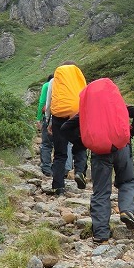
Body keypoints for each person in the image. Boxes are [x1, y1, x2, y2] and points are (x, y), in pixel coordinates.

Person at [89, 103, 134, 243]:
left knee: (101, 191)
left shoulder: (89, 108)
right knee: (127, 182)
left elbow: (67, 127)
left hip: (100, 150)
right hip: (122, 147)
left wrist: (80, 144)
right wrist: (131, 133)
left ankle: (101, 234)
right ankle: (126, 210)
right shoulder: (118, 105)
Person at [45, 62, 88, 195]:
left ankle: (58, 187)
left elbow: (49, 101)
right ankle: (80, 172)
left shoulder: (54, 80)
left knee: (60, 153)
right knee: (80, 146)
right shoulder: (78, 78)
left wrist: (48, 120)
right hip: (77, 115)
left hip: (59, 117)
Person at [37, 74, 72, 178]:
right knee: (67, 144)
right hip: (67, 118)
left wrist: (39, 118)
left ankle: (46, 168)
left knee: (46, 144)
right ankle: (66, 168)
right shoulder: (68, 84)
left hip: (52, 116)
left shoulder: (47, 85)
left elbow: (43, 102)